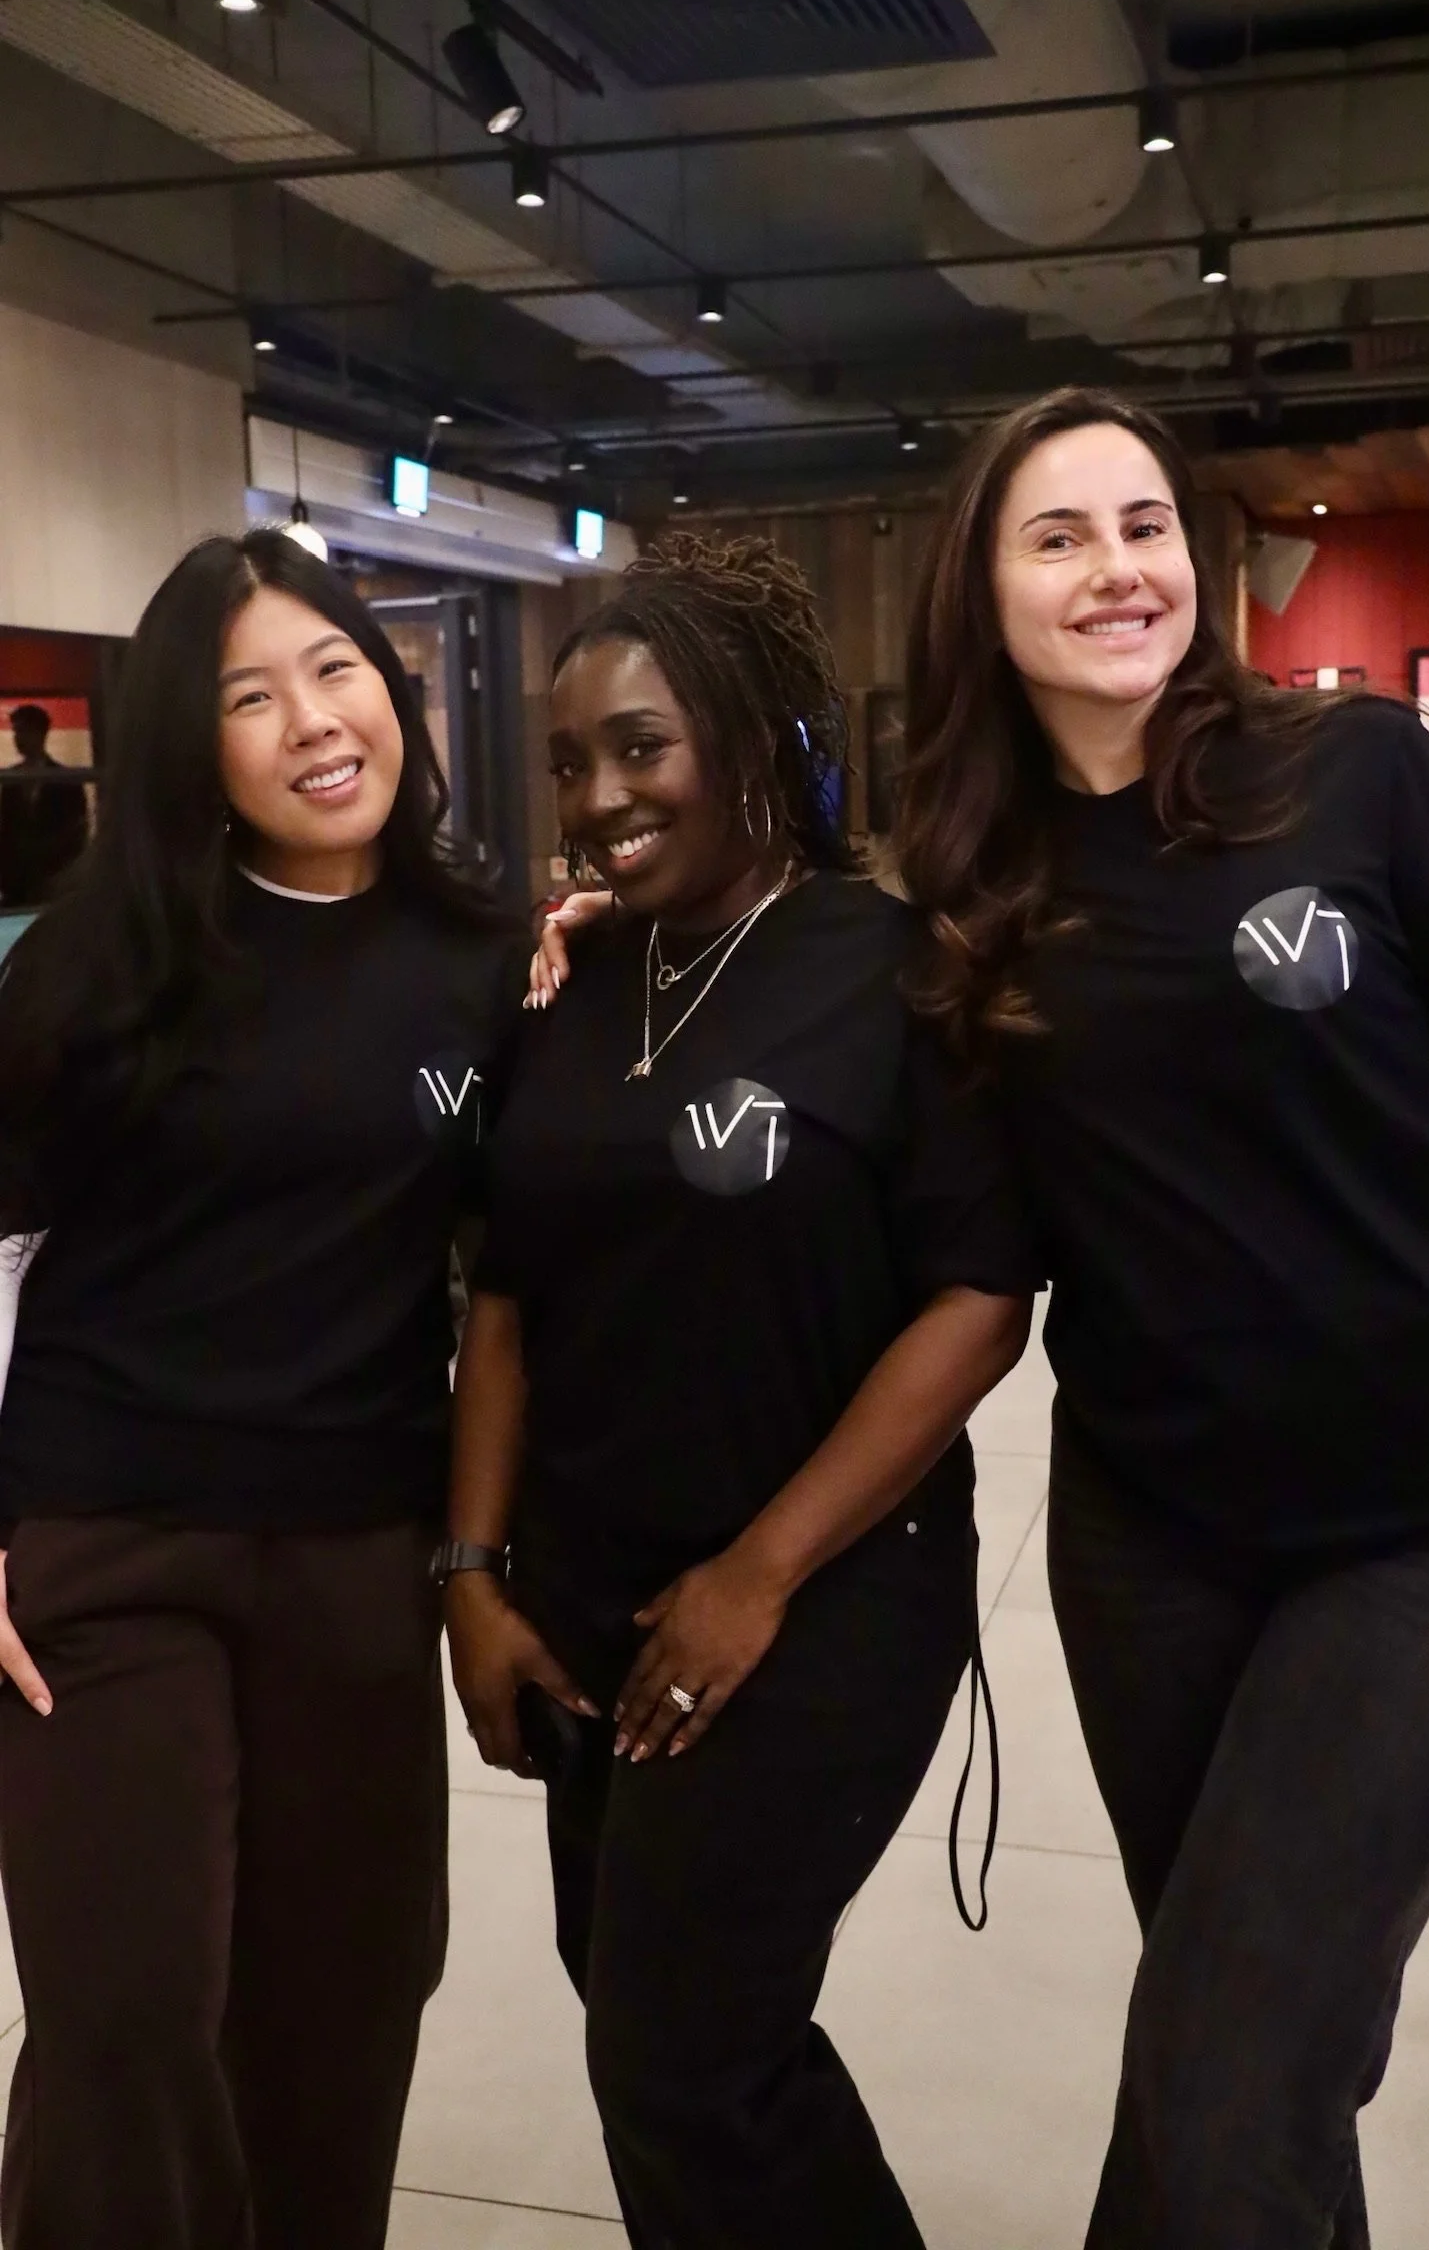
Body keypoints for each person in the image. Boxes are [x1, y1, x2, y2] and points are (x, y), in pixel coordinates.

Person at [896, 384, 1429, 2249]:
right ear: (983, 590)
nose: (1119, 568)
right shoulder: (968, 893)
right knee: (1257, 2052)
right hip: (1153, 1540)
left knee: (1229, 2073)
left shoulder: (1359, 774)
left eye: (1146, 524)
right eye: (1060, 536)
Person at [446, 533, 1037, 2250]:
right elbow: (506, 1296)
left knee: (682, 2049)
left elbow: (981, 1301)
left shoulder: (892, 969)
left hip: (828, 1591)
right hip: (582, 1599)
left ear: (756, 733)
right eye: (570, 762)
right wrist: (469, 1577)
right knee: (648, 2015)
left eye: (642, 746)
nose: (599, 799)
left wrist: (759, 1573)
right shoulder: (567, 990)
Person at [0, 530, 520, 2250]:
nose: (313, 720)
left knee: (347, 2004)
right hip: (109, 1545)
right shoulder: (103, 957)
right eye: (249, 694)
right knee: (129, 2018)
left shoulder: (482, 952)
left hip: (355, 1549)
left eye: (336, 668)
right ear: (188, 741)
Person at [0, 702, 89, 907]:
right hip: (17, 885)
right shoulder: (11, 780)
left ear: (40, 734)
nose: (18, 738)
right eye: (16, 731)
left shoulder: (66, 781)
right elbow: (7, 829)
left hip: (54, 880)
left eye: (23, 731)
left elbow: (75, 832)